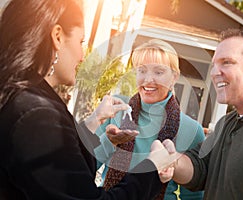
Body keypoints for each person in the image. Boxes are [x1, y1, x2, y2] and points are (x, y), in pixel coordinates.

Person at [0, 0, 176, 199]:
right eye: (81, 41)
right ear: (57, 37)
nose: (82, 56)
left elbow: (61, 174)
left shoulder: (19, 94)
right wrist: (151, 167)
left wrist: (93, 124)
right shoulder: (37, 114)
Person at [156, 29, 243, 200]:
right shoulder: (226, 123)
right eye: (214, 64)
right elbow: (200, 167)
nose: (214, 73)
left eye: (227, 62)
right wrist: (171, 161)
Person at [93, 39, 206, 200]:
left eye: (158, 72)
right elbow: (88, 164)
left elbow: (193, 195)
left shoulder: (191, 129)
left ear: (174, 77)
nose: (148, 80)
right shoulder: (116, 110)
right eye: (142, 70)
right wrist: (108, 140)